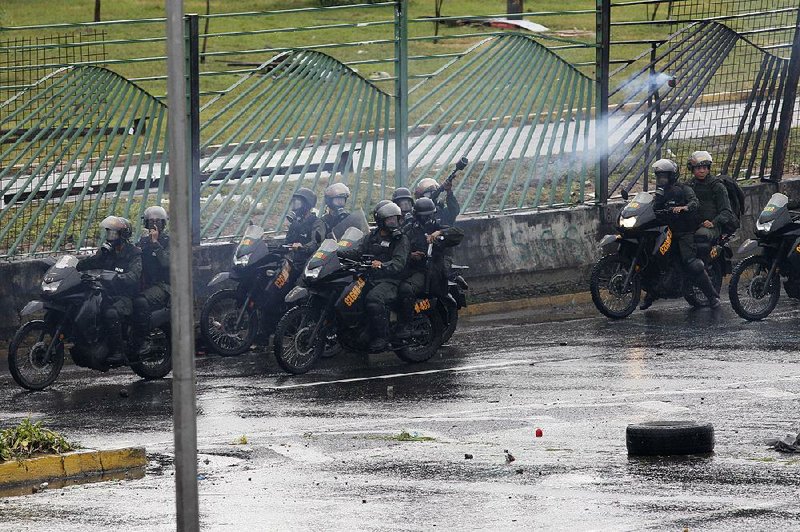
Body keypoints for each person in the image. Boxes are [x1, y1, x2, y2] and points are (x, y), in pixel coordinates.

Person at [338, 201, 409, 352]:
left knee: (373, 299)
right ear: (380, 221)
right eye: (389, 219)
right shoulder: (372, 236)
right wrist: (337, 252)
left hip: (391, 281)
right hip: (371, 277)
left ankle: (382, 337)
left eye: (395, 219)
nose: (393, 222)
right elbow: (357, 251)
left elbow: (398, 264)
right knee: (350, 296)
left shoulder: (400, 239)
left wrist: (382, 265)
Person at [640, 159, 705, 310]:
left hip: (684, 230)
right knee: (654, 257)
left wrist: (684, 208)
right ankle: (651, 292)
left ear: (672, 176)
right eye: (659, 177)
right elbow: (654, 205)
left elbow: (694, 202)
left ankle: (712, 297)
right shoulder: (661, 191)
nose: (661, 180)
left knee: (689, 261)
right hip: (668, 229)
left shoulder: (683, 189)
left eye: (664, 176)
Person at [77, 216, 142, 365]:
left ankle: (118, 351)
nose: (110, 237)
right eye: (109, 233)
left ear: (123, 235)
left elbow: (134, 275)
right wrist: (74, 266)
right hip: (106, 293)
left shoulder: (134, 253)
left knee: (110, 313)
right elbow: (93, 261)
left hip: (125, 297)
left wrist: (118, 277)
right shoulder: (107, 251)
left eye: (114, 233)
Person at [397, 198, 464, 336]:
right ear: (416, 215)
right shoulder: (409, 229)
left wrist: (440, 233)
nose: (427, 218)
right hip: (413, 267)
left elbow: (458, 233)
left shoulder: (437, 226)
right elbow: (399, 245)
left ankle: (407, 325)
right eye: (423, 216)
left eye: (429, 215)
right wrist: (411, 255)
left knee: (407, 289)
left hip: (432, 269)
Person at [131, 206, 170, 356]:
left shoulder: (168, 241)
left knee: (141, 302)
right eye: (150, 222)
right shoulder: (143, 241)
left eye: (157, 222)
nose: (154, 225)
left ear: (163, 224)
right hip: (145, 284)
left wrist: (156, 244)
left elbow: (167, 262)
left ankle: (143, 340)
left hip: (164, 285)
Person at [285, 187, 326, 269]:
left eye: (297, 204)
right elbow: (288, 241)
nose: (295, 207)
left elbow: (316, 242)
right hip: (292, 260)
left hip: (308, 263)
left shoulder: (317, 222)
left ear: (306, 205)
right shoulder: (295, 222)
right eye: (294, 203)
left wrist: (303, 247)